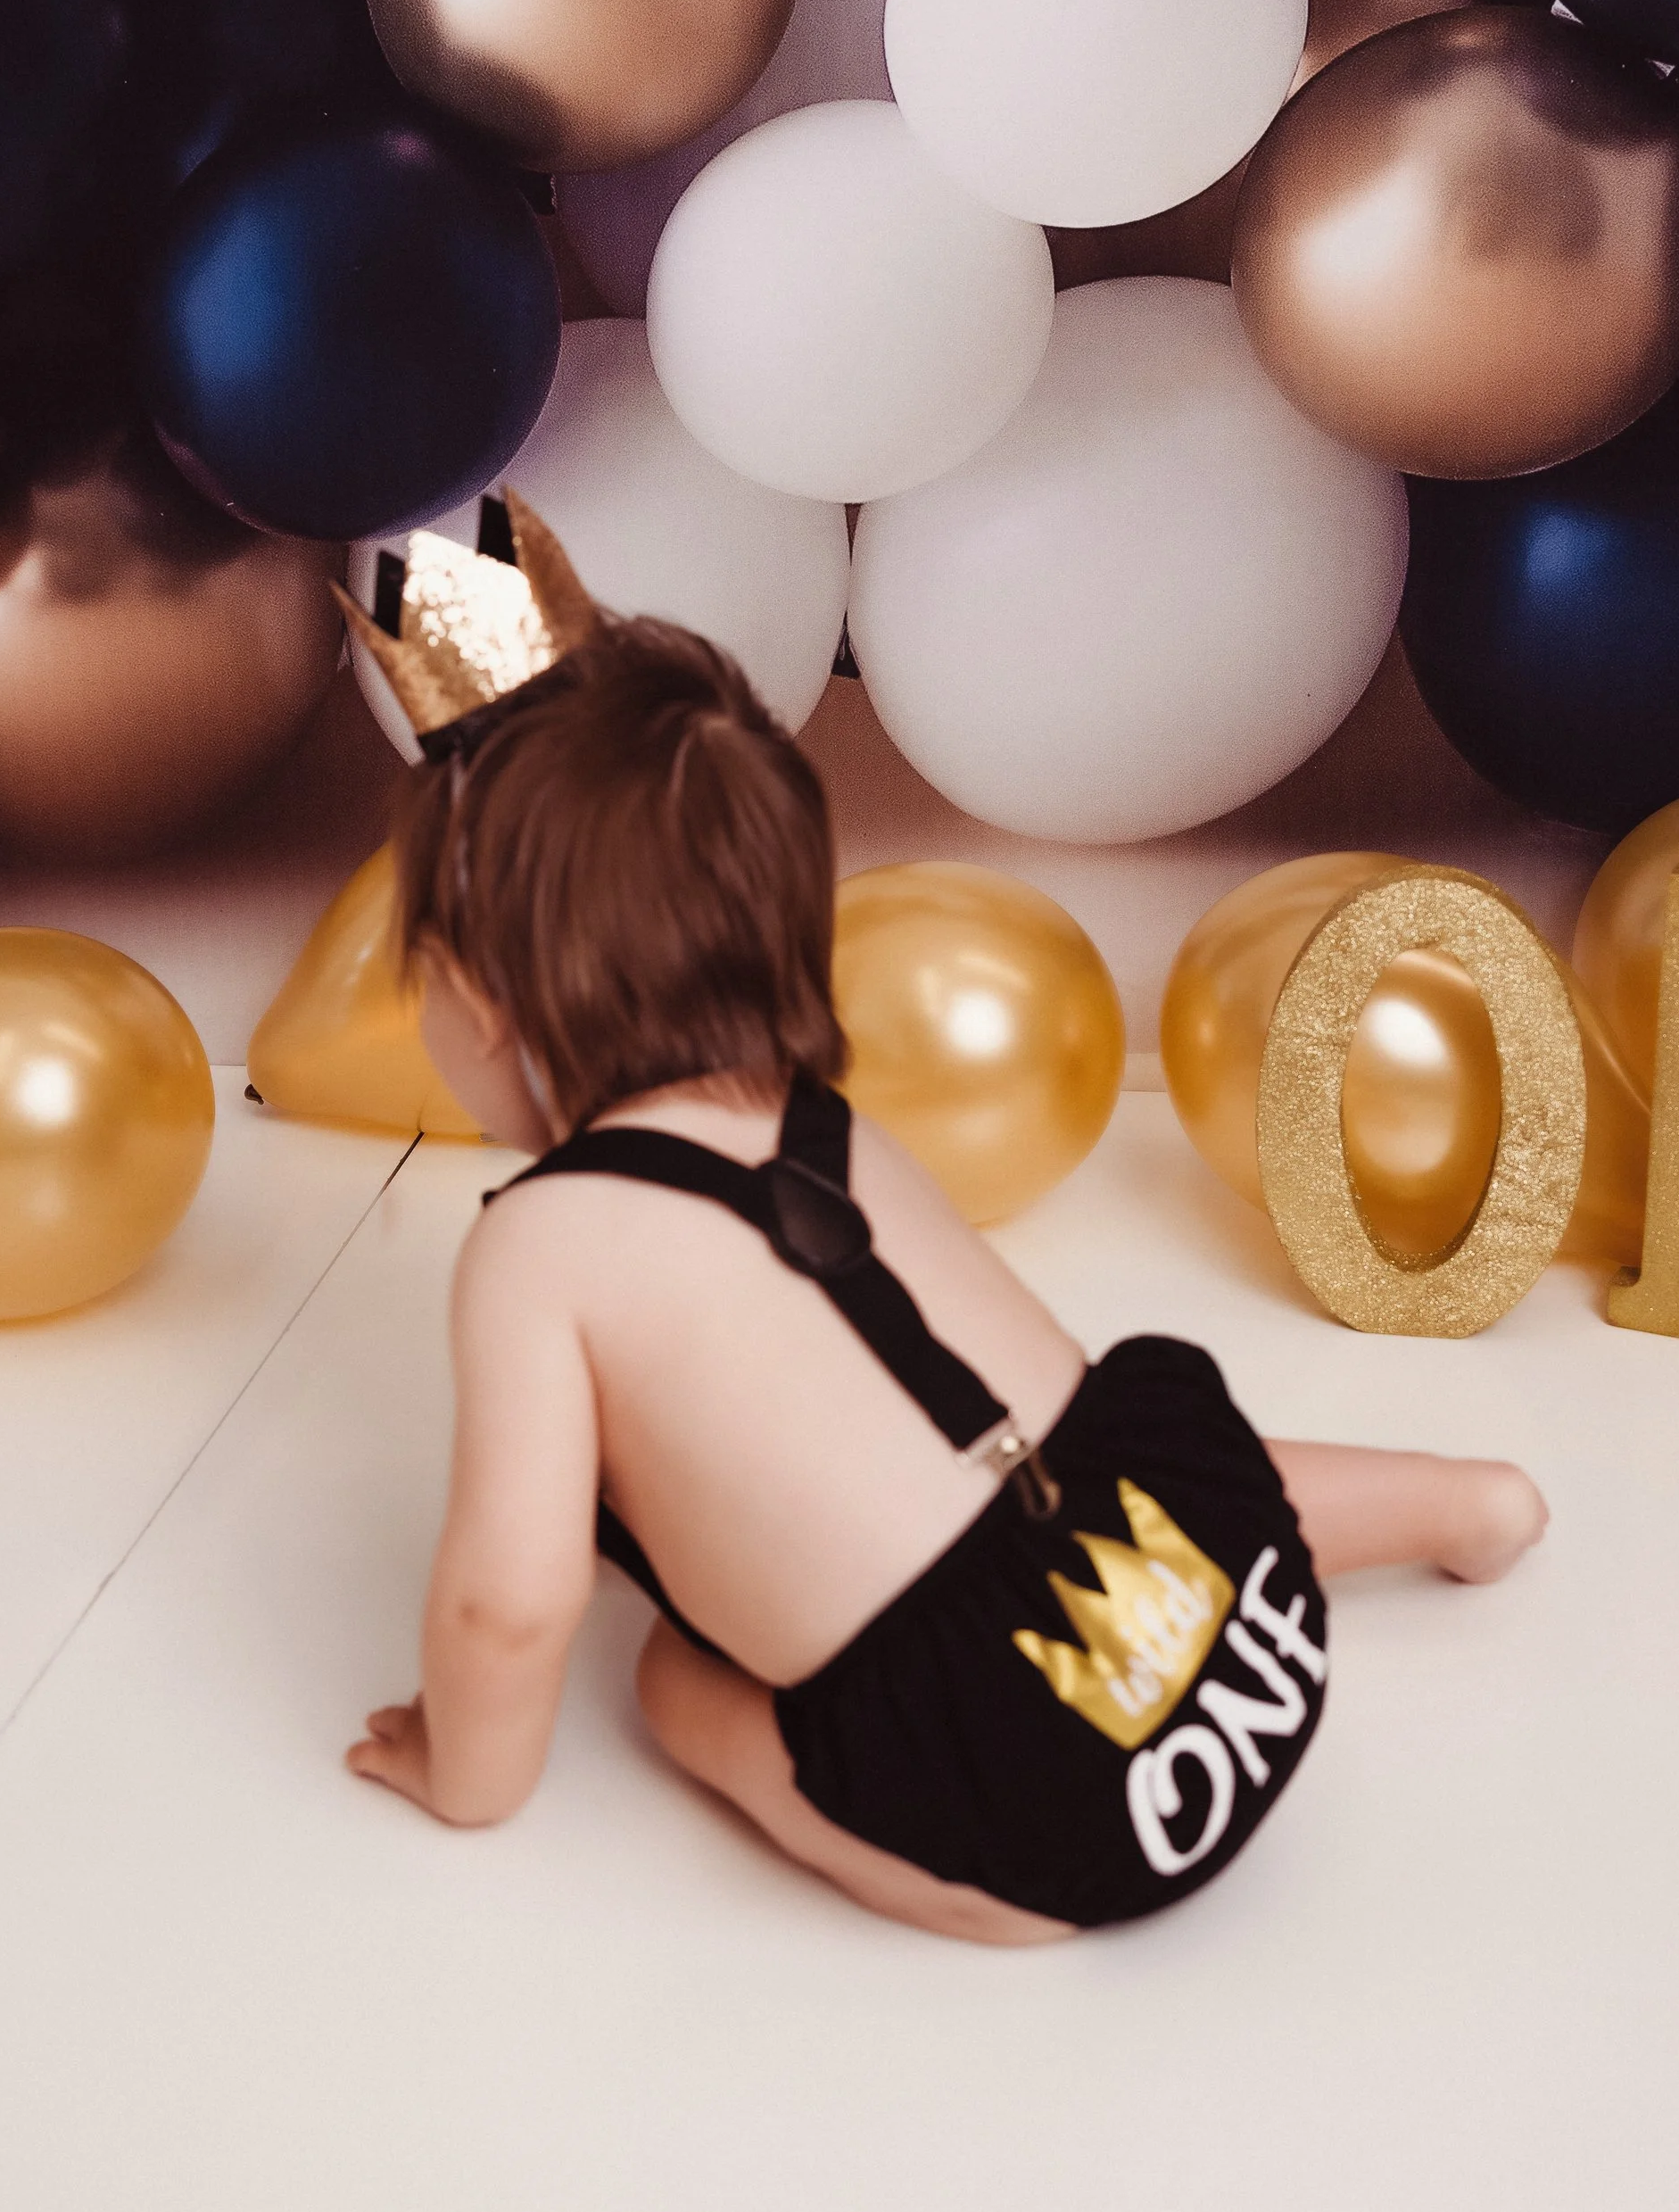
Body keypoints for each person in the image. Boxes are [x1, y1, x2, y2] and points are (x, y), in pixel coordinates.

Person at [344, 587, 1545, 1947]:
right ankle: (1464, 1506)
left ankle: (976, 1890)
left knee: (682, 1684)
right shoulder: (818, 1113)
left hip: (1057, 1785)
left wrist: (462, 1773)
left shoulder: (536, 1245)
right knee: (1108, 1471)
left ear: (477, 992)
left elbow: (512, 1602)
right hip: (1236, 1610)